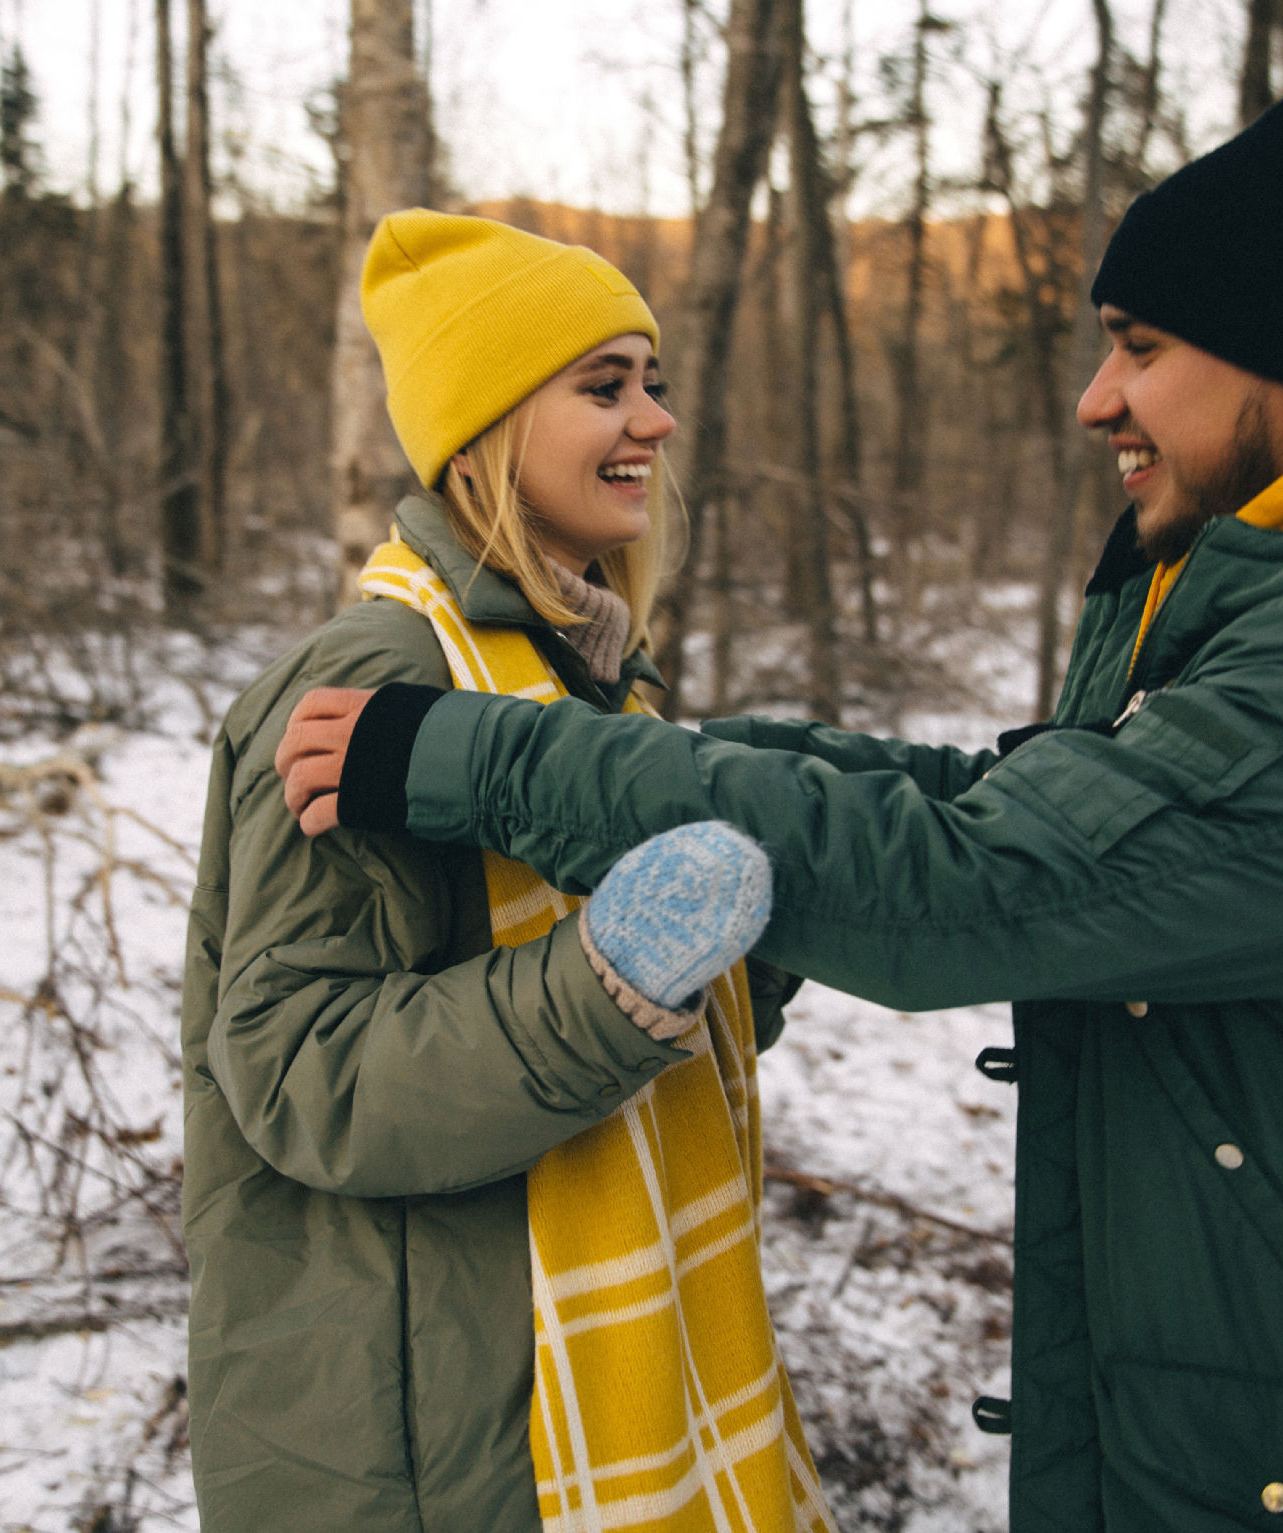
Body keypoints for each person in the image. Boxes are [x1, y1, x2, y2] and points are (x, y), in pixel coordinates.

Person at [278, 32, 1283, 1532]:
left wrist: (488, 756)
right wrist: (683, 758)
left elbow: (987, 878)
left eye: (1146, 347)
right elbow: (1038, 797)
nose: (1096, 399)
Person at [179, 209, 833, 1533]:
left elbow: (681, 1034)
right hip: (437, 1433)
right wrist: (606, 984)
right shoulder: (376, 683)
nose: (653, 420)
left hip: (582, 1375)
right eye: (604, 387)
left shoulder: (594, 679)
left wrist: (783, 892)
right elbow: (300, 1070)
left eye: (653, 382)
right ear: (484, 425)